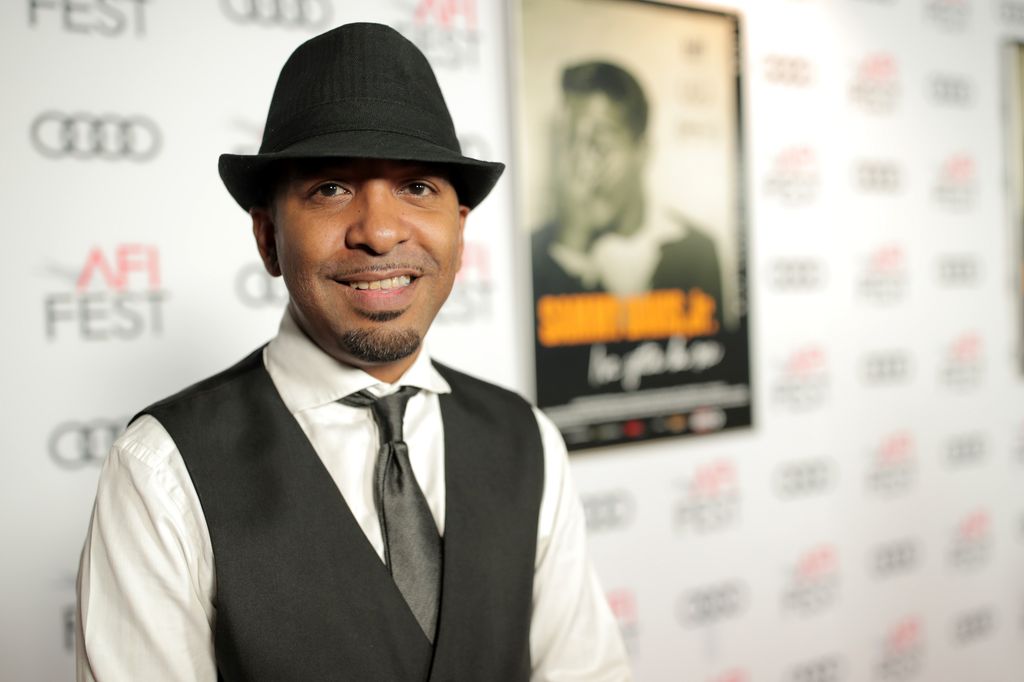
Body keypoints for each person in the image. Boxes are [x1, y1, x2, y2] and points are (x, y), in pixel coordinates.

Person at [75, 23, 630, 681]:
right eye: (331, 189)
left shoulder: (526, 440)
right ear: (267, 238)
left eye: (417, 187)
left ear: (459, 232)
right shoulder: (162, 470)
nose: (380, 231)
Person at [531, 60, 724, 305]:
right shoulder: (534, 254)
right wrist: (572, 247)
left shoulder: (697, 253)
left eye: (600, 144)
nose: (582, 166)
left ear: (641, 152)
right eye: (570, 143)